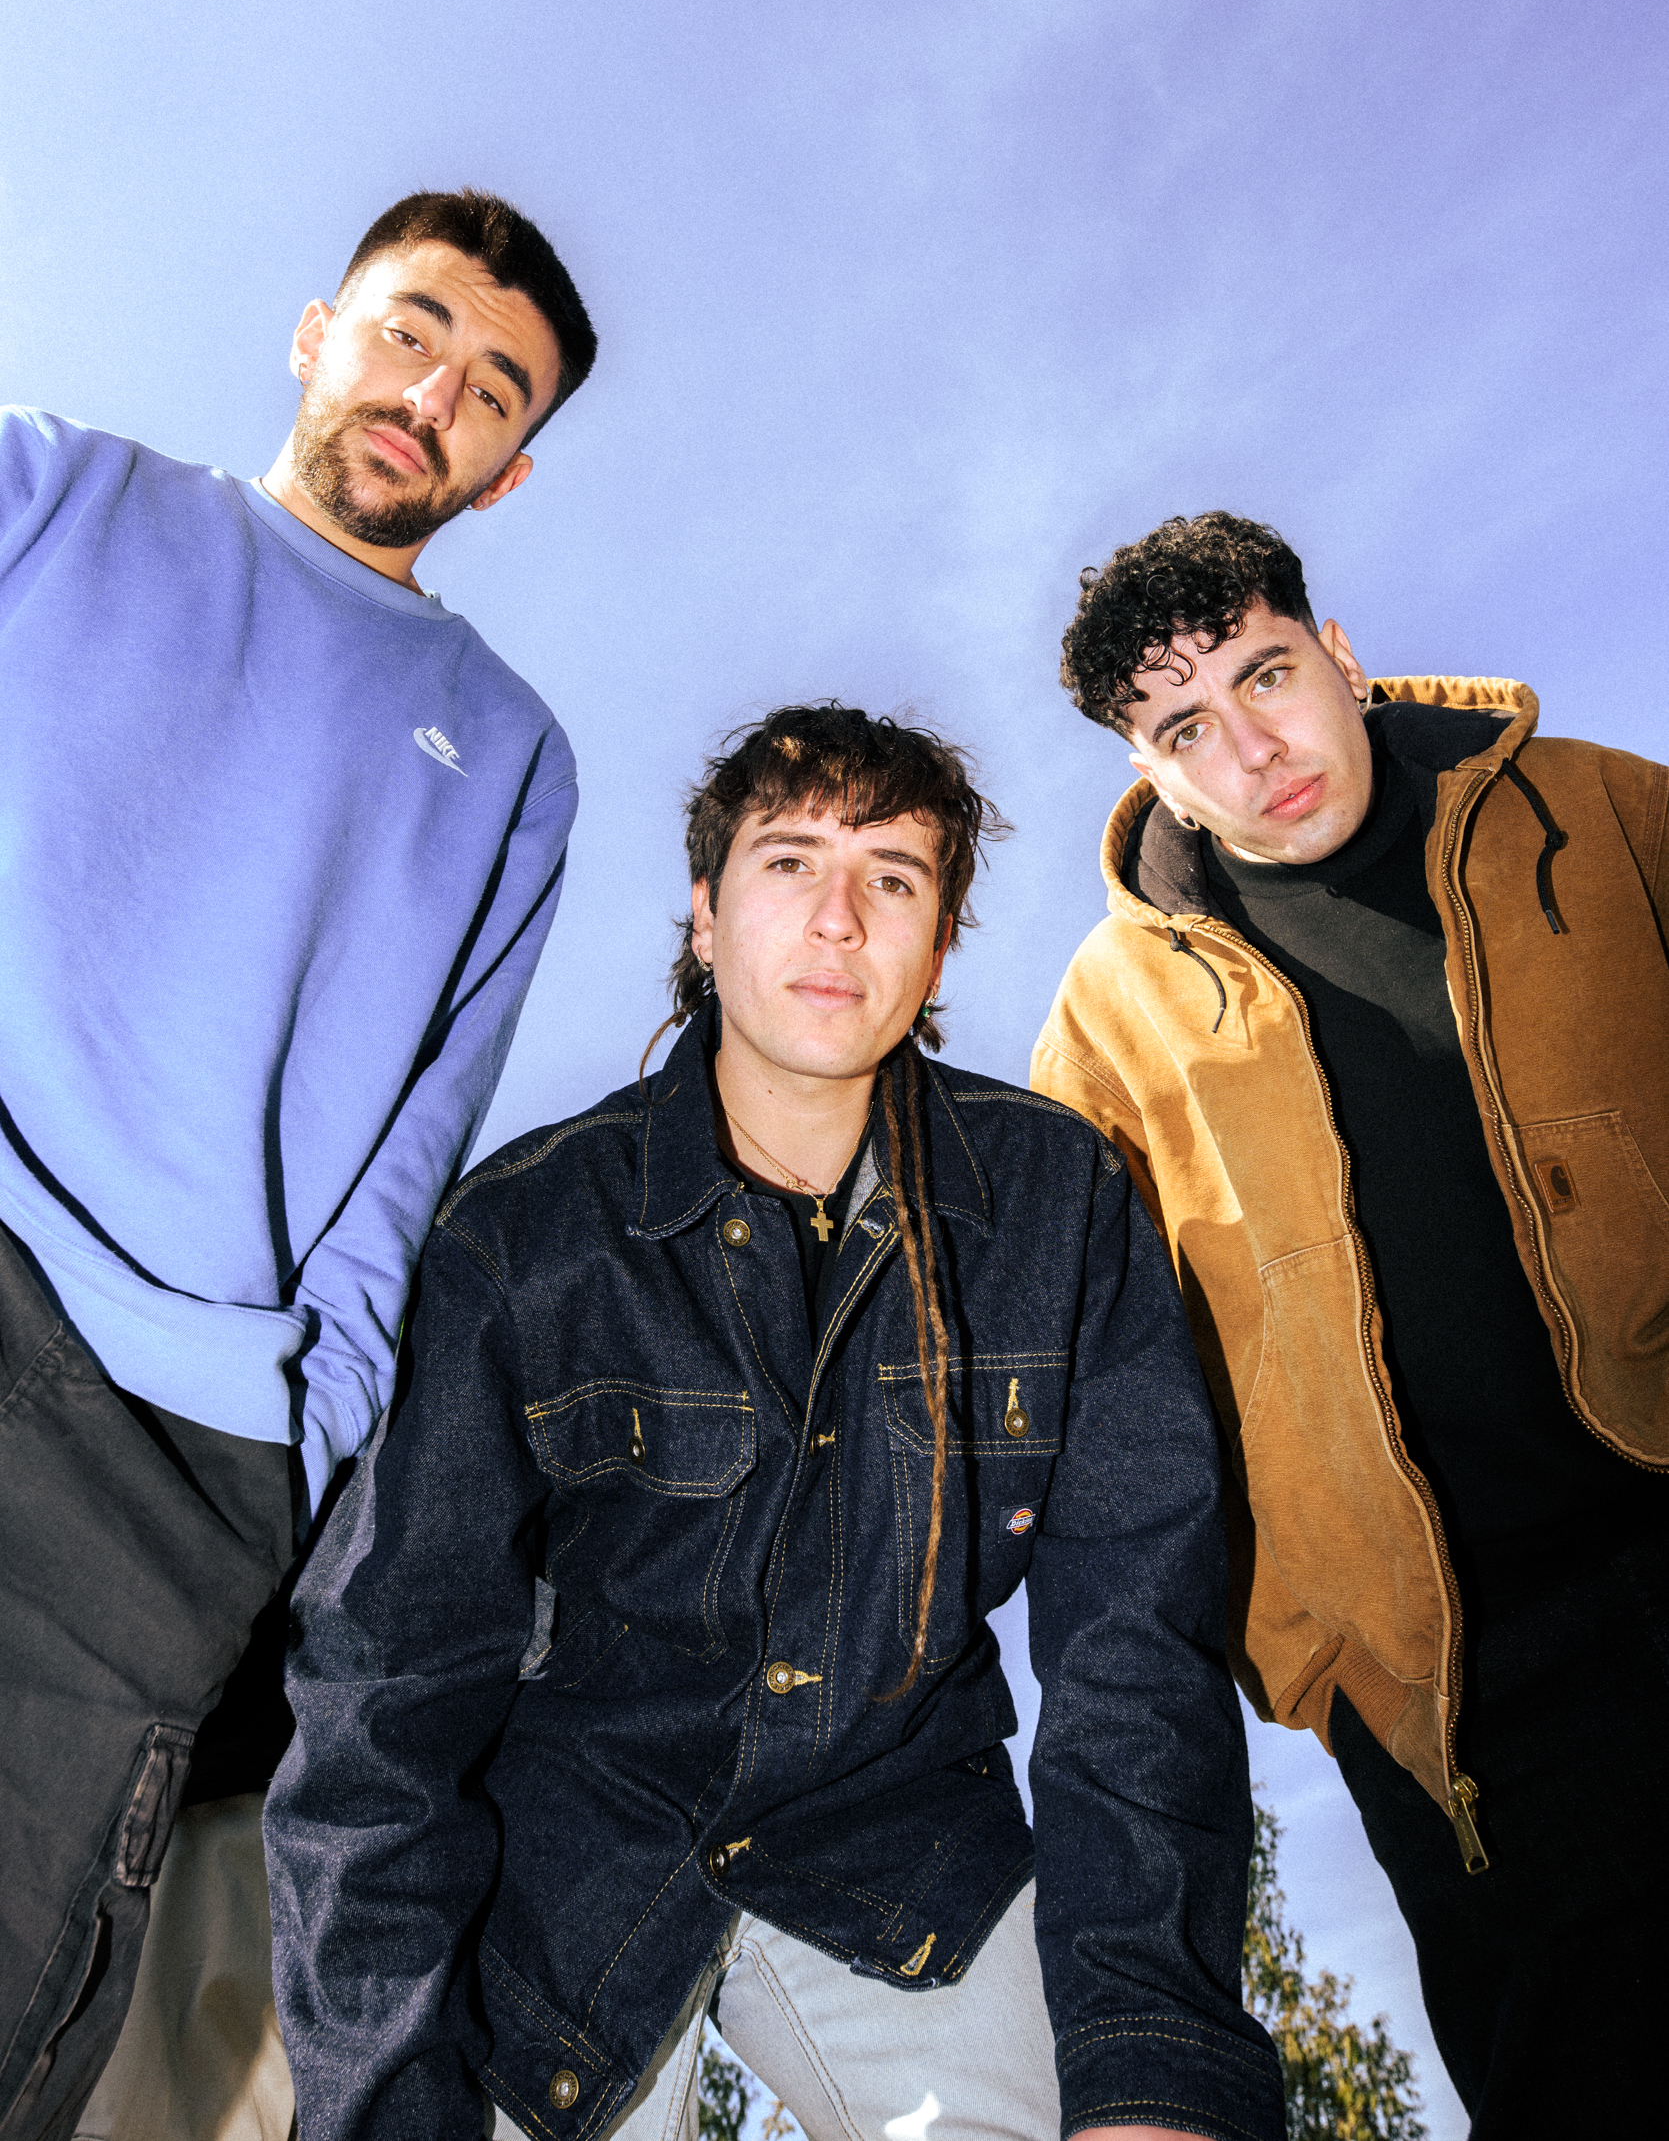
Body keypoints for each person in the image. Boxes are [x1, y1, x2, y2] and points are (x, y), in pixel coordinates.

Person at [263, 704, 1286, 2141]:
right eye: (790, 862)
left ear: (941, 946)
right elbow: (386, 1688)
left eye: (892, 877)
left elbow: (1137, 1658)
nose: (838, 919)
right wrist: (381, 2101)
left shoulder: (1062, 1210)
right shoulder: (523, 1235)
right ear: (704, 914)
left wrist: (1151, 2062)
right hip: (562, 1872)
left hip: (905, 1846)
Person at [0, 187, 598, 2140]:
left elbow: (413, 1150)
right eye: (411, 330)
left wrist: (285, 1453)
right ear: (315, 328)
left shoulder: (510, 754)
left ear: (511, 471)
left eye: (493, 389)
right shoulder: (50, 488)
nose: (435, 392)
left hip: (162, 1453)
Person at [1031, 512, 1669, 2137]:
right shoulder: (1106, 1028)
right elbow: (1095, 1397)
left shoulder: (1598, 810)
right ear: (1150, 773)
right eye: (1186, 729)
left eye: (1264, 677)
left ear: (1341, 657)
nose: (1250, 751)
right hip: (1453, 1692)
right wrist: (1297, 1644)